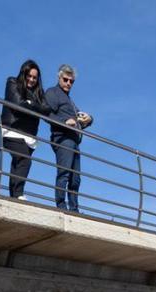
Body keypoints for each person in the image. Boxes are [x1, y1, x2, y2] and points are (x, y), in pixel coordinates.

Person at [44, 64, 93, 212]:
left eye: (71, 81)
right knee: (64, 174)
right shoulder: (52, 93)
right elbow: (46, 114)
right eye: (65, 80)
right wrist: (64, 122)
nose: (68, 83)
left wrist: (89, 119)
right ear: (59, 77)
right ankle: (61, 206)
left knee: (75, 178)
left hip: (75, 140)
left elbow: (80, 119)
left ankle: (74, 209)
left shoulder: (70, 101)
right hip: (63, 138)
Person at [1, 59, 49, 199]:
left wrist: (29, 103)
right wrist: (33, 106)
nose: (32, 80)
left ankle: (13, 197)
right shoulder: (12, 82)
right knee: (24, 160)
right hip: (12, 130)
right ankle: (18, 194)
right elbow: (17, 105)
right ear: (24, 74)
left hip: (29, 136)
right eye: (29, 76)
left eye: (34, 77)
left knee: (17, 164)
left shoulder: (39, 93)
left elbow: (46, 109)